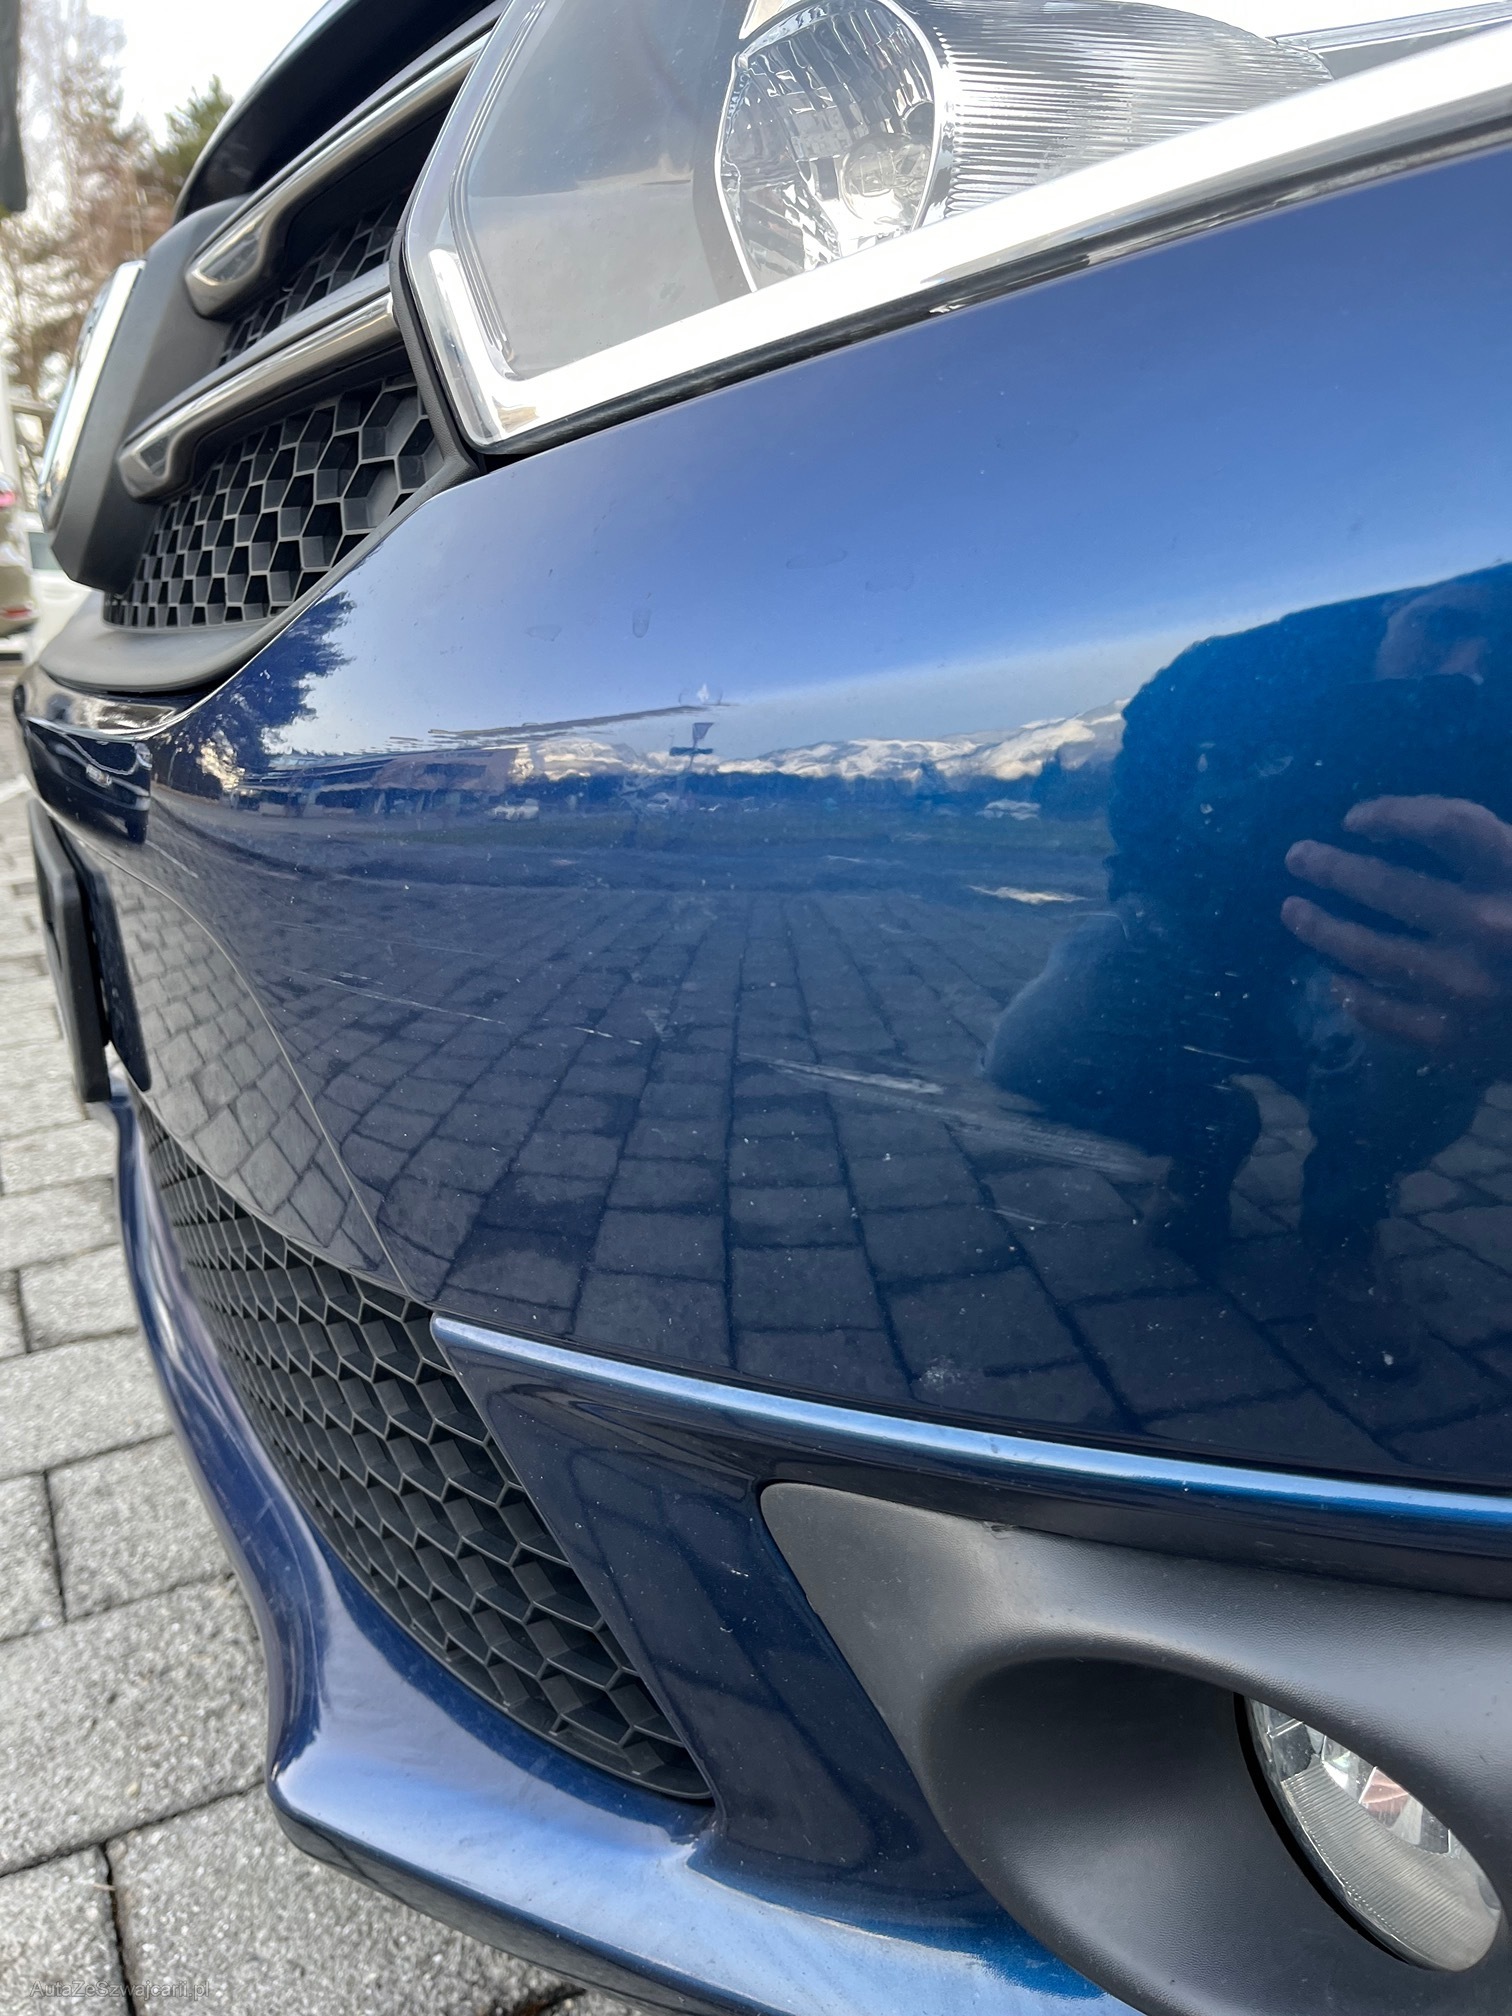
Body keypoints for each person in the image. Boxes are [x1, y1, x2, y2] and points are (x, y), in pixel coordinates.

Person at [983, 569, 1512, 1373]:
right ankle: (1205, 1136)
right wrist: (1147, 903)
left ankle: (1344, 1224)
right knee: (1034, 1050)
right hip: (1193, 929)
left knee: (1425, 1043)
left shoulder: (1498, 709)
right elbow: (1144, 794)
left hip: (1367, 952)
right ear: (1388, 598)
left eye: (1498, 640)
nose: (1465, 664)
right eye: (1442, 625)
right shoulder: (1234, 667)